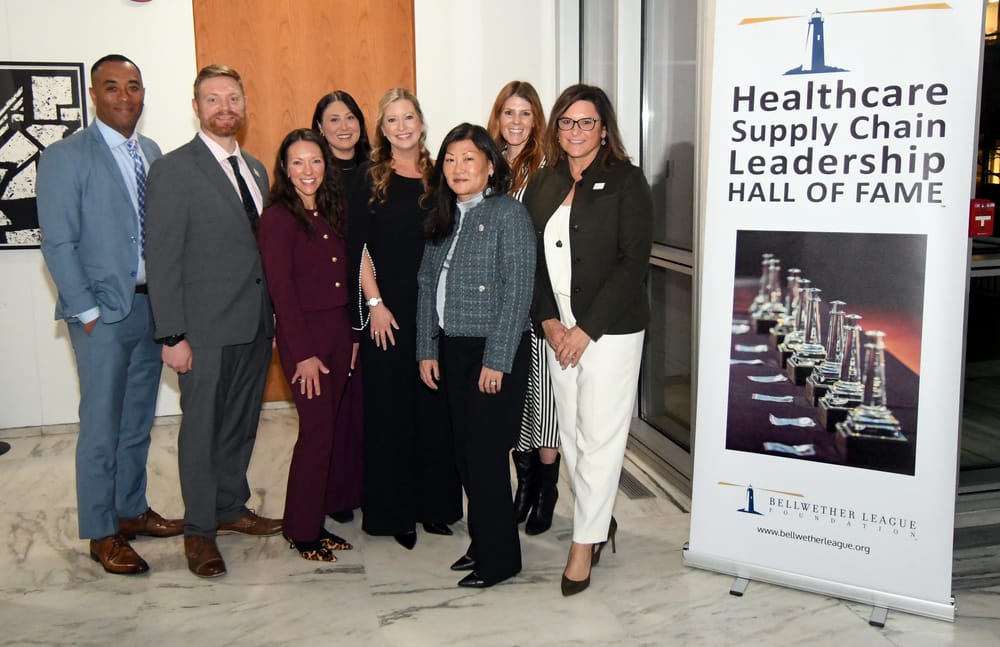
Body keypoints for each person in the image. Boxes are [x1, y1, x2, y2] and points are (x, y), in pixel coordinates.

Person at [36, 54, 182, 576]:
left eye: (134, 86)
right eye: (113, 86)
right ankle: (101, 532)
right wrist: (88, 313)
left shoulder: (152, 151)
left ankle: (131, 509)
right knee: (101, 426)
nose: (125, 96)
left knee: (138, 421)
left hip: (150, 309)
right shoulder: (65, 156)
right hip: (103, 315)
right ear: (94, 94)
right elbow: (57, 242)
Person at [145, 64, 282, 579]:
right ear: (197, 107)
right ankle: (200, 532)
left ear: (244, 105)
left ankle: (230, 506)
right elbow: (161, 258)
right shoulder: (175, 169)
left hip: (252, 325)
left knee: (241, 424)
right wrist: (171, 334)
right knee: (201, 431)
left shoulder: (257, 169)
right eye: (213, 99)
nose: (225, 107)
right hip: (201, 331)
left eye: (233, 98)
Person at [522, 84, 653, 596]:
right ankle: (598, 522)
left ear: (604, 129)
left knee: (600, 435)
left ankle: (584, 542)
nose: (576, 131)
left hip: (610, 331)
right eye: (567, 122)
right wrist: (551, 323)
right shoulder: (545, 181)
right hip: (560, 332)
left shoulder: (627, 181)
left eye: (587, 122)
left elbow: (632, 263)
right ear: (556, 128)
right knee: (574, 434)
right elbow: (528, 255)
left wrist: (585, 330)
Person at [416, 123, 535, 588]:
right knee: (465, 457)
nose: (458, 168)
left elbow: (518, 289)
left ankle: (500, 559)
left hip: (493, 351)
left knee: (485, 458)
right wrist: (427, 349)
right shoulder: (442, 216)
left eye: (468, 158)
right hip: (451, 348)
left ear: (490, 164)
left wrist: (497, 358)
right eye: (449, 159)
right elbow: (426, 286)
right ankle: (483, 540)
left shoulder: (509, 214)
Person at [356, 88, 462, 549]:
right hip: (389, 312)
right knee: (391, 414)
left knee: (435, 411)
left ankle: (435, 507)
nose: (401, 126)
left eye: (408, 117)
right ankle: (395, 512)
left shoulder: (442, 176)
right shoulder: (368, 178)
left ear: (421, 122)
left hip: (435, 310)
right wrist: (375, 305)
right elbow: (356, 250)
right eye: (391, 120)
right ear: (382, 129)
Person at [257, 129, 357, 561]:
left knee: (334, 429)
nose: (307, 171)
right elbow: (281, 292)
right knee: (316, 432)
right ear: (285, 168)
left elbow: (350, 277)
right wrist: (303, 354)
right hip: (307, 340)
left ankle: (317, 518)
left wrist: (353, 335)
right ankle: (300, 529)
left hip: (340, 332)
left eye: (315, 161)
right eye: (297, 162)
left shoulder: (334, 210)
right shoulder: (279, 217)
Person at [487, 80, 560, 535]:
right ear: (497, 117)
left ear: (537, 121)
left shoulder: (547, 171)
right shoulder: (487, 165)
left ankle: (547, 492)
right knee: (516, 402)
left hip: (539, 300)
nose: (516, 122)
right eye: (508, 113)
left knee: (547, 401)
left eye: (525, 114)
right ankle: (524, 485)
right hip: (498, 304)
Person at [310, 90, 370, 524]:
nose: (344, 126)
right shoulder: (312, 177)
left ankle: (370, 484)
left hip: (377, 299)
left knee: (368, 404)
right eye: (334, 119)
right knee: (336, 405)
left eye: (351, 117)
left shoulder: (377, 172)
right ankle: (337, 492)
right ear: (319, 129)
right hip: (331, 303)